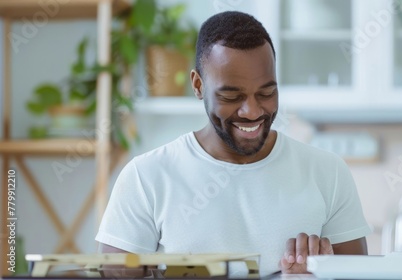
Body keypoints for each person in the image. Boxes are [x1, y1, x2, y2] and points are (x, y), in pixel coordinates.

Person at [95, 11, 372, 276]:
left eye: (266, 92)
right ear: (198, 85)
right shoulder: (146, 177)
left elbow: (360, 277)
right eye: (231, 96)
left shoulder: (328, 172)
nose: (252, 111)